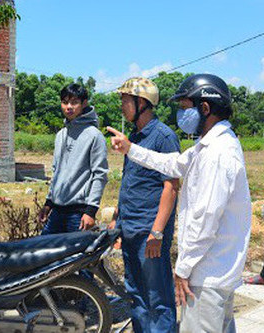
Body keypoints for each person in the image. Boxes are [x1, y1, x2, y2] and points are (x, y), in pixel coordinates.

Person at [108, 74, 252, 333]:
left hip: (208, 273)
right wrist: (130, 148)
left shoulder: (217, 154)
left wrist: (182, 269)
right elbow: (172, 164)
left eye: (186, 107)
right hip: (211, 271)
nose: (181, 114)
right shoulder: (206, 147)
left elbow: (205, 219)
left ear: (204, 108)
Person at [108, 77, 180, 333]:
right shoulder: (134, 138)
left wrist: (157, 232)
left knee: (156, 295)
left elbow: (171, 187)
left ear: (141, 102)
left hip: (150, 232)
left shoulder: (163, 137)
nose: (122, 106)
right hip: (131, 228)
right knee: (136, 292)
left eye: (125, 101)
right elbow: (131, 182)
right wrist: (118, 218)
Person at [38, 83, 108, 235]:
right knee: (45, 254)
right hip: (56, 211)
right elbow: (57, 172)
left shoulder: (94, 136)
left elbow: (100, 175)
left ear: (84, 103)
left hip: (78, 214)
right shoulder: (61, 135)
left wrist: (91, 211)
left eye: (74, 102)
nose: (68, 106)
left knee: (76, 258)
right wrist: (48, 203)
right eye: (65, 102)